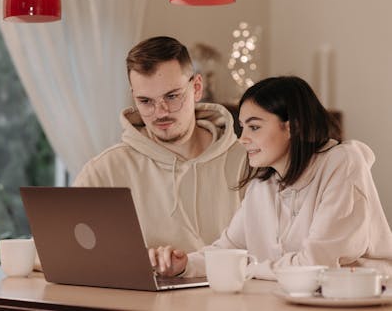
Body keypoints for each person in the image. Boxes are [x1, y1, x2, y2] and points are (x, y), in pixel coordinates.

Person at [149, 76, 392, 280]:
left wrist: (247, 268)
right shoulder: (262, 185)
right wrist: (183, 265)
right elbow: (228, 250)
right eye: (242, 127)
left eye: (254, 127)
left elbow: (316, 266)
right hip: (285, 299)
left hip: (359, 301)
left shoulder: (342, 163)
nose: (242, 139)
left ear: (292, 127)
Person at [73, 36, 247, 253]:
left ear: (197, 88)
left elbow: (276, 255)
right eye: (145, 101)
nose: (161, 112)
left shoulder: (249, 163)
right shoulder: (104, 171)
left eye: (172, 96)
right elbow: (61, 251)